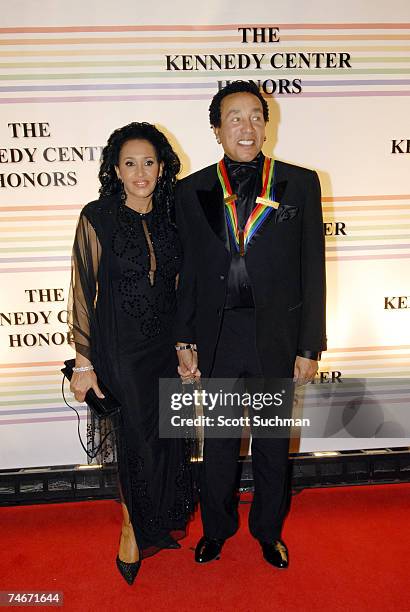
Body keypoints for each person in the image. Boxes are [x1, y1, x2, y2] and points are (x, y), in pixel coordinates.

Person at [175, 81, 326, 569]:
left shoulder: (299, 183)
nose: (247, 126)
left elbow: (313, 269)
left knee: (271, 444)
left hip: (275, 338)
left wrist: (309, 345)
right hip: (219, 337)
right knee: (217, 445)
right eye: (234, 117)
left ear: (268, 123)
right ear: (217, 130)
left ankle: (267, 532)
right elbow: (189, 273)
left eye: (256, 116)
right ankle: (216, 530)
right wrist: (185, 339)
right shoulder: (190, 189)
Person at [69, 122, 194, 585]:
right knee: (135, 442)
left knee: (166, 439)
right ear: (115, 170)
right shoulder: (97, 216)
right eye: (130, 163)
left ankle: (157, 522)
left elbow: (183, 286)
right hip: (119, 346)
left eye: (148, 162)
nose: (140, 172)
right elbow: (82, 287)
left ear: (162, 167)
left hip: (165, 346)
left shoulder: (173, 217)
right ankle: (129, 525)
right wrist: (83, 362)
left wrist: (186, 345)